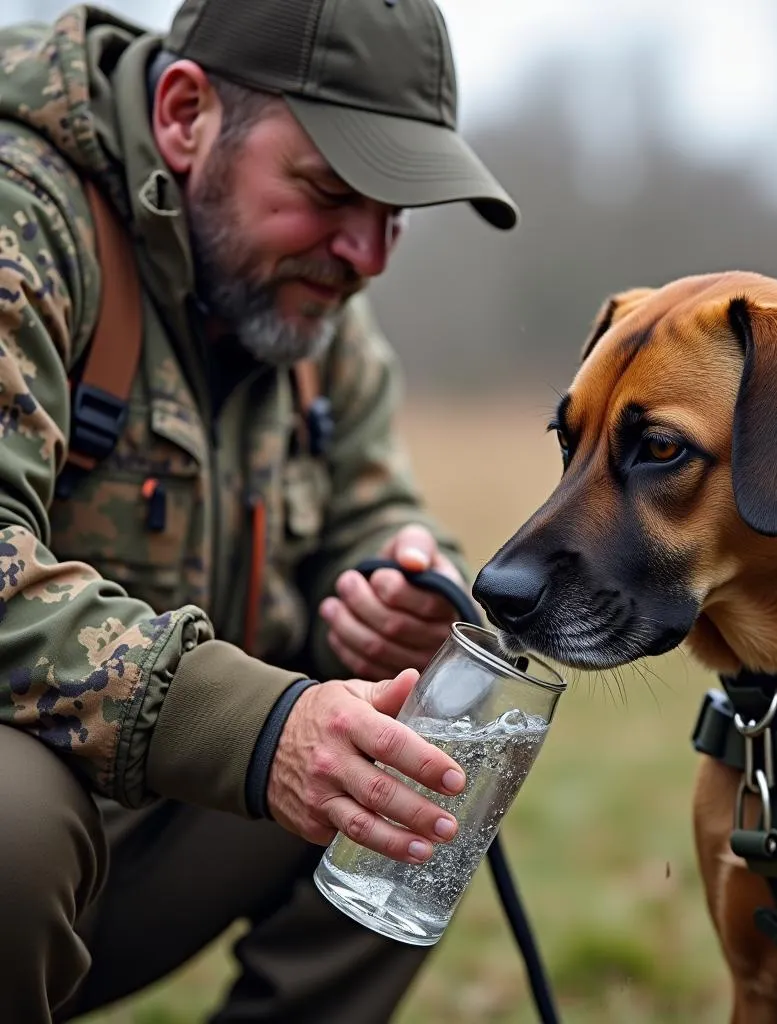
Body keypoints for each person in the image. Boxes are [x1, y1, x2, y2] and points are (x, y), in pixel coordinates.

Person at [0, 0, 519, 1020]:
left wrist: (399, 583)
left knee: (436, 749)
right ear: (188, 115)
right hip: (33, 845)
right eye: (331, 190)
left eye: (396, 213)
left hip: (127, 840)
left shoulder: (301, 298)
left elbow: (373, 503)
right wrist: (260, 726)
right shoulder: (25, 220)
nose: (367, 254)